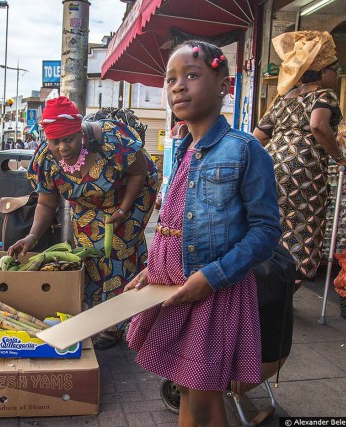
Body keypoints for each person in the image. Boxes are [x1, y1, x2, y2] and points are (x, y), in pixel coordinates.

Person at [124, 40, 281, 426]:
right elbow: (176, 222)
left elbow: (265, 232)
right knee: (187, 389)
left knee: (206, 401)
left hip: (213, 295)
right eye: (170, 79)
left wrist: (211, 278)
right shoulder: (184, 149)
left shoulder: (244, 150)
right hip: (175, 289)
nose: (178, 87)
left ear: (225, 86)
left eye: (192, 76)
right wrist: (152, 270)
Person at [8, 96, 159, 349]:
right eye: (55, 141)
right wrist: (31, 237)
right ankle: (93, 312)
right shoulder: (46, 159)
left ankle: (115, 324)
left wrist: (122, 211)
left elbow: (139, 172)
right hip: (89, 202)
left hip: (133, 192)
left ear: (80, 132)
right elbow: (47, 203)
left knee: (117, 249)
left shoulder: (111, 141)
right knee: (86, 252)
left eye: (69, 139)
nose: (63, 148)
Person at [253, 31, 346, 283]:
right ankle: (291, 283)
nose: (337, 74)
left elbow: (257, 137)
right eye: (334, 69)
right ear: (321, 73)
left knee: (275, 224)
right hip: (304, 170)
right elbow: (318, 126)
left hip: (272, 165)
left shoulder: (282, 100)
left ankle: (268, 280)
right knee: (303, 226)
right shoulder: (323, 95)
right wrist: (340, 157)